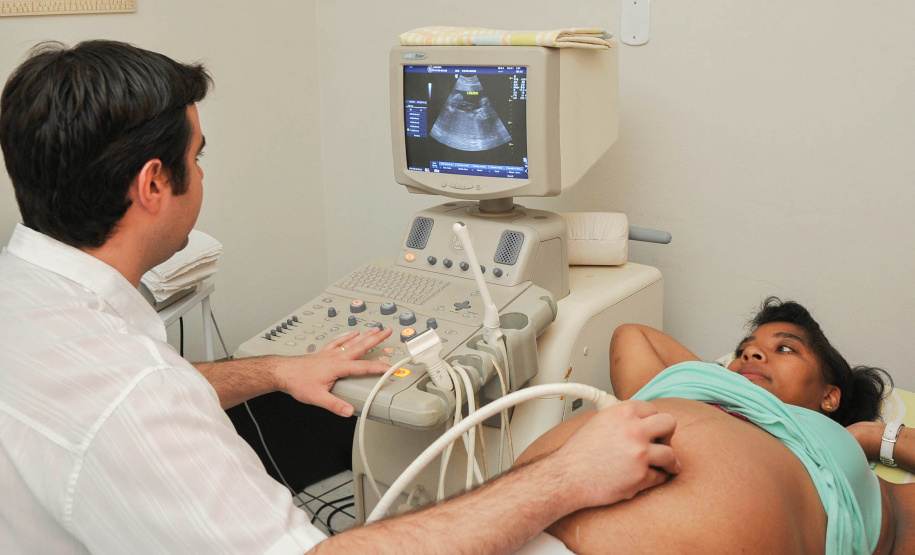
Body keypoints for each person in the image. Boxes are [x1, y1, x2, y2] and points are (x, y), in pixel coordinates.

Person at [0, 40, 681, 554]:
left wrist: (274, 370)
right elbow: (136, 402)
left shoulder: (30, 295)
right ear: (153, 185)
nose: (202, 174)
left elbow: (124, 395)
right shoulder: (136, 398)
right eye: (197, 156)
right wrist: (567, 476)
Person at [516, 297, 915, 554]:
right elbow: (631, 335)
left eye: (785, 348)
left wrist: (871, 436)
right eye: (744, 349)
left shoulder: (834, 449)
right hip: (516, 527)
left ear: (829, 397)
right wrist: (719, 379)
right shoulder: (692, 387)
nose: (752, 353)